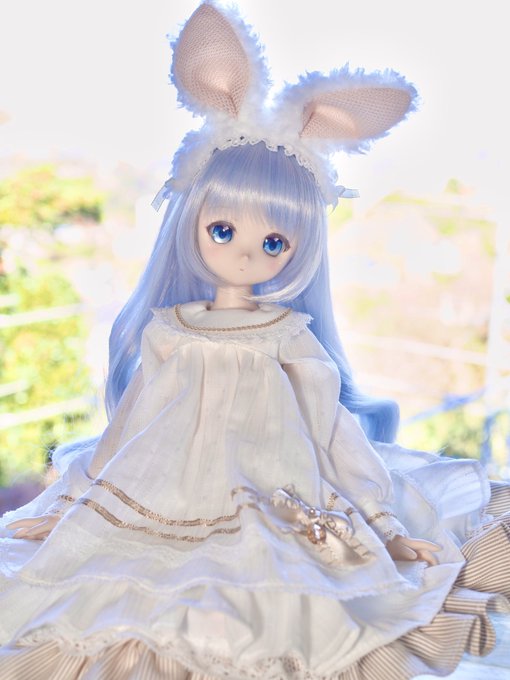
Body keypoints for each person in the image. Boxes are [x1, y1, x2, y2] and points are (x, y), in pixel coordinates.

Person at [0, 2, 508, 678]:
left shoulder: (287, 337)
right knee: (111, 592)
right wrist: (70, 506)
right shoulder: (169, 331)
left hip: (272, 492)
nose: (245, 253)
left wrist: (382, 522)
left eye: (273, 242)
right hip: (166, 492)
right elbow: (128, 429)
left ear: (300, 248)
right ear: (190, 219)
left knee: (290, 594)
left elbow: (331, 431)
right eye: (223, 230)